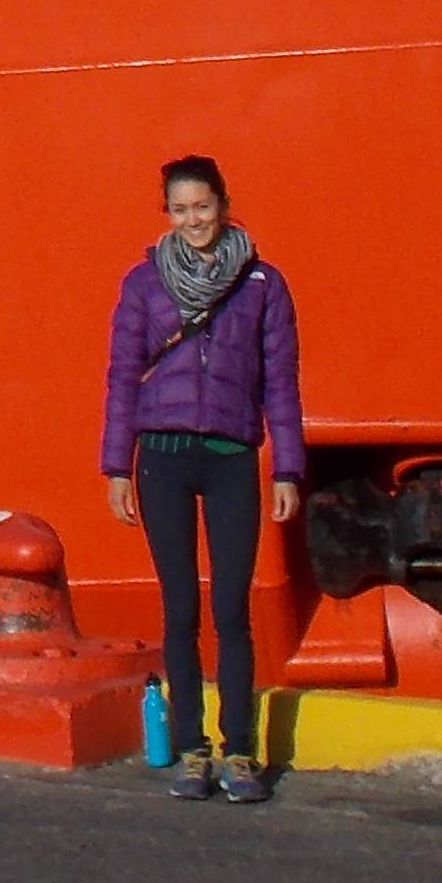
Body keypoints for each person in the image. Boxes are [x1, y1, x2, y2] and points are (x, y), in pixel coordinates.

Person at [99, 153, 304, 800]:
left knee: (231, 611)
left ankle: (241, 751)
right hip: (160, 455)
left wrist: (287, 468)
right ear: (168, 212)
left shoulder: (263, 285)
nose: (194, 220)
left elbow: (281, 384)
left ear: (224, 202)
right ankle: (194, 749)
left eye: (204, 207)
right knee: (181, 609)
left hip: (230, 456)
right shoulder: (143, 284)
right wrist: (116, 466)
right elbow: (122, 378)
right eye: (181, 209)